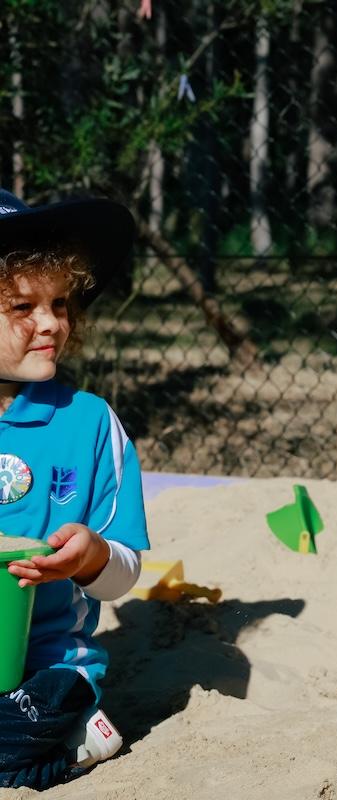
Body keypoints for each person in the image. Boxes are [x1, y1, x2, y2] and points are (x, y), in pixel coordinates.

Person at [0, 189, 148, 789]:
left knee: (19, 727)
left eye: (59, 303)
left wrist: (89, 558)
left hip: (49, 669)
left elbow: (127, 569)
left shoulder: (87, 423)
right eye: (21, 307)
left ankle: (77, 734)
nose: (51, 323)